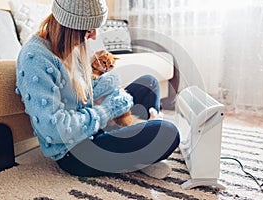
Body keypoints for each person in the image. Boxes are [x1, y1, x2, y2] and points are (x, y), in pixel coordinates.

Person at [15, 0, 180, 179]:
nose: (93, 36)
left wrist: (113, 88)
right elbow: (54, 130)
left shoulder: (71, 45)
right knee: (168, 132)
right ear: (70, 27)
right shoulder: (35, 59)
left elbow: (84, 93)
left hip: (96, 127)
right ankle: (143, 152)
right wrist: (108, 110)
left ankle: (140, 153)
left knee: (149, 84)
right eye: (88, 30)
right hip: (76, 151)